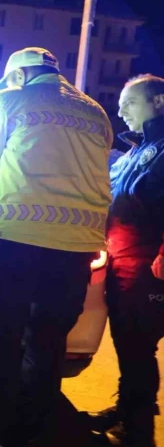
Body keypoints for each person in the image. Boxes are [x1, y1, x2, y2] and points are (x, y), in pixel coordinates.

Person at [0, 47, 112, 447]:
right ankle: (34, 429)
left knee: (1, 340)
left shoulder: (10, 100)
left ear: (21, 76)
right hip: (77, 249)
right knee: (48, 342)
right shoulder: (96, 112)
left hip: (17, 241)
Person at [84, 74, 164, 447]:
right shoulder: (137, 150)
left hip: (148, 268)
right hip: (122, 263)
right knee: (127, 343)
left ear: (158, 102)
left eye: (130, 103)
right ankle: (128, 409)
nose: (121, 113)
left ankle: (138, 432)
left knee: (138, 347)